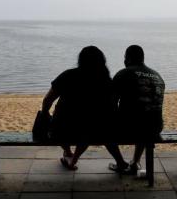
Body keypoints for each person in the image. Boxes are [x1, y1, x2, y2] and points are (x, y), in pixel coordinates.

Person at [42, 46, 128, 170]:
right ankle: (74, 159)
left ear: (81, 60)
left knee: (61, 119)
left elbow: (47, 100)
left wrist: (46, 114)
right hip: (93, 131)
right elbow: (112, 107)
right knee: (94, 126)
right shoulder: (106, 81)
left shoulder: (68, 75)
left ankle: (68, 153)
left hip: (62, 130)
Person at [109, 45, 165, 174]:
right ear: (142, 58)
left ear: (127, 58)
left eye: (124, 58)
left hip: (131, 127)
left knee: (104, 129)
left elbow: (111, 103)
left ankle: (120, 163)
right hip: (155, 127)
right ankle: (135, 162)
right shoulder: (157, 75)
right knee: (145, 117)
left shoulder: (124, 73)